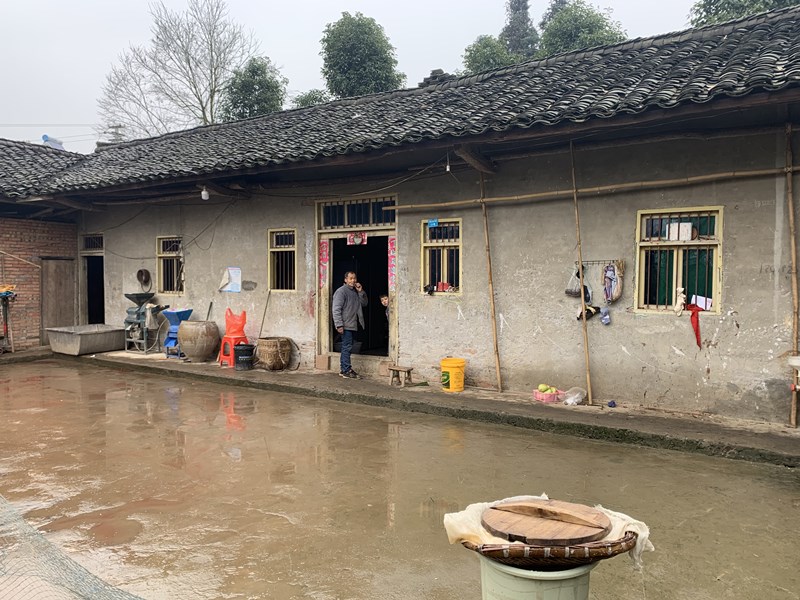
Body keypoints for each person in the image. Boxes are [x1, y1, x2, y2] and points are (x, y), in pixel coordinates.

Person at [332, 271, 368, 379]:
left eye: (354, 278)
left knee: (347, 347)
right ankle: (346, 370)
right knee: (346, 347)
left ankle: (345, 369)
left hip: (353, 324)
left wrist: (361, 291)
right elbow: (336, 309)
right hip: (345, 324)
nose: (353, 280)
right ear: (345, 280)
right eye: (350, 278)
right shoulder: (341, 291)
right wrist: (339, 325)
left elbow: (364, 303)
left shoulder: (355, 291)